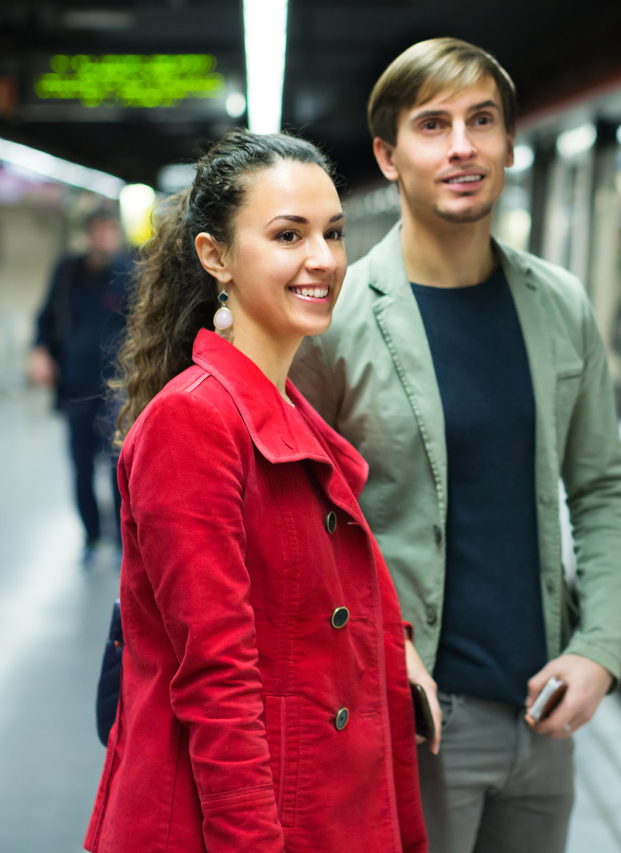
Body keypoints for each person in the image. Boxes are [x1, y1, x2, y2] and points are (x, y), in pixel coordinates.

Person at [291, 37, 621, 853]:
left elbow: (602, 488)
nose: (462, 146)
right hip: (414, 716)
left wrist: (597, 648)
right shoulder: (336, 321)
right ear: (388, 156)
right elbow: (295, 516)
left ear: (510, 144)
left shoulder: (560, 305)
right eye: (433, 124)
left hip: (542, 713)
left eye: (482, 121)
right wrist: (377, 652)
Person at [84, 132, 428, 853]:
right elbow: (218, 684)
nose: (324, 260)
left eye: (333, 233)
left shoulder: (284, 408)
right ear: (215, 258)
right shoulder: (193, 424)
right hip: (236, 827)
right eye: (287, 235)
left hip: (315, 802)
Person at [30, 208, 132, 562]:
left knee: (119, 466)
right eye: (99, 231)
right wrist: (40, 351)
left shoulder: (129, 274)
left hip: (117, 390)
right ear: (88, 234)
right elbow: (46, 317)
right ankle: (90, 537)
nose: (105, 238)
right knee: (81, 465)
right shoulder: (68, 273)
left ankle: (123, 543)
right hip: (76, 385)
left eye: (111, 231)